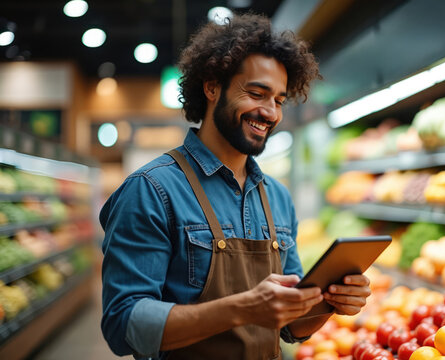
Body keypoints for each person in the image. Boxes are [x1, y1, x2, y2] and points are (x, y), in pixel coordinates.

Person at [100, 13, 371, 360]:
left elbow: (290, 327)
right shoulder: (151, 190)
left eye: (278, 100)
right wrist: (242, 309)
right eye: (256, 93)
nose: (270, 112)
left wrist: (329, 301)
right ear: (212, 87)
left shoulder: (277, 196)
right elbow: (124, 326)